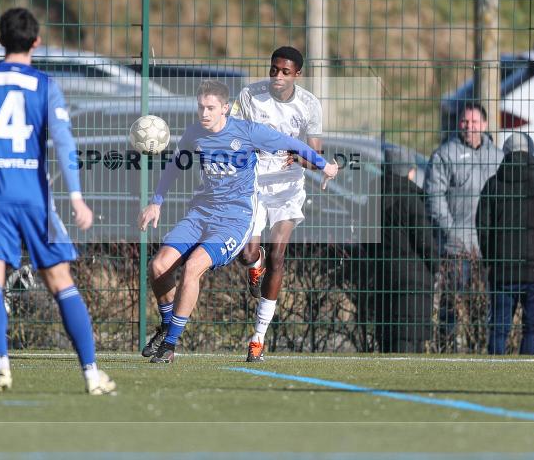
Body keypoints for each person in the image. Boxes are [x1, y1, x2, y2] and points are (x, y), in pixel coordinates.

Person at [0, 7, 115, 395]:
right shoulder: (45, 85)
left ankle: (1, 366)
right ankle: (91, 375)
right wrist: (77, 197)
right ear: (36, 42)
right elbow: (65, 142)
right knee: (60, 281)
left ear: (0, 41)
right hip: (36, 197)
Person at [137, 80, 338, 363]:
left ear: (225, 108)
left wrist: (324, 164)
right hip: (200, 213)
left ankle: (169, 344)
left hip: (233, 220)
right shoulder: (194, 133)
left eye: (210, 108)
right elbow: (174, 166)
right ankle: (168, 323)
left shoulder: (247, 132)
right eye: (200, 107)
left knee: (193, 267)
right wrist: (156, 201)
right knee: (157, 267)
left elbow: (292, 143)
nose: (204, 113)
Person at [228, 46, 323, 362]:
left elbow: (315, 155)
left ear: (297, 74)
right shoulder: (250, 96)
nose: (277, 77)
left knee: (279, 257)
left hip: (287, 189)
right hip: (254, 184)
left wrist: (302, 158)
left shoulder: (309, 105)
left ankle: (258, 338)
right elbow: (232, 135)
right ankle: (256, 264)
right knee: (246, 254)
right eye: (273, 70)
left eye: (285, 72)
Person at [477, 133, 534, 355]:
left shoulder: (493, 184)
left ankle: (494, 373)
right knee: (533, 327)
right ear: (530, 151)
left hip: (503, 269)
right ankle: (528, 369)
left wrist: (491, 257)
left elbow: (482, 225)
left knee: (499, 329)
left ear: (505, 153)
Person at [425, 103, 503, 352]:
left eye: (475, 122)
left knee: (483, 305)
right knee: (451, 304)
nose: (469, 127)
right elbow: (434, 197)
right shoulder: (444, 156)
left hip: (489, 247)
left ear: (485, 125)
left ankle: (479, 349)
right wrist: (452, 232)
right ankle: (446, 348)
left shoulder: (498, 158)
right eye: (465, 122)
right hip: (457, 248)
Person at [372, 147, 438, 353]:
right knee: (411, 342)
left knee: (388, 340)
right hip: (414, 279)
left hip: (382, 274)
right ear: (409, 171)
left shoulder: (373, 197)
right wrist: (436, 266)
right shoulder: (412, 200)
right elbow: (425, 242)